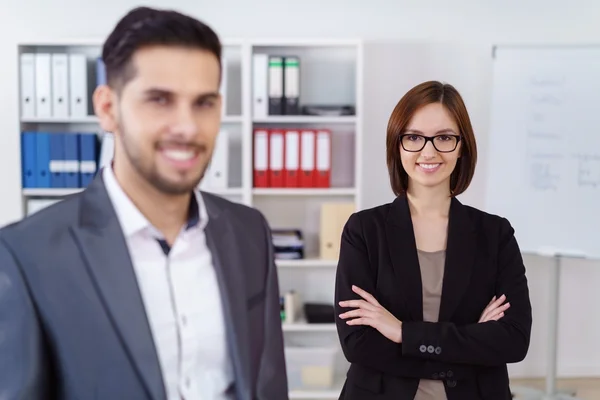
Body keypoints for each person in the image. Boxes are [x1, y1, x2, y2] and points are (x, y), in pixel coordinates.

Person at [0, 7, 288, 400]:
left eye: (203, 103)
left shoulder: (248, 231)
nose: (187, 127)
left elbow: (267, 383)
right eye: (159, 100)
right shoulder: (26, 254)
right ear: (107, 108)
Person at [334, 81, 532, 400]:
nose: (429, 151)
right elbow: (358, 343)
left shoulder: (495, 235)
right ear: (397, 146)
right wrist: (469, 344)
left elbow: (513, 340)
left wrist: (402, 332)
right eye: (413, 137)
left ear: (462, 145)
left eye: (443, 137)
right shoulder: (364, 231)